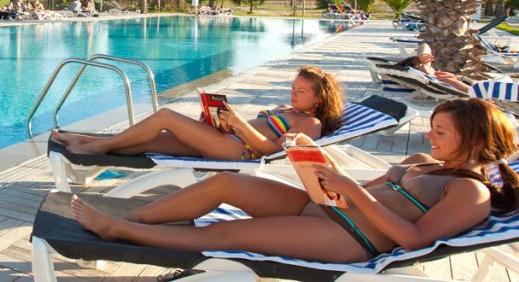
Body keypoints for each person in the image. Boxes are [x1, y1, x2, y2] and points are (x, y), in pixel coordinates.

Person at [70, 98, 519, 263]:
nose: (429, 137)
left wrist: (352, 191)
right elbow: (358, 187)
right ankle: (134, 218)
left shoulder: (470, 192)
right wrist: (317, 165)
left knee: (226, 236)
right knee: (225, 185)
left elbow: (415, 240)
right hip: (325, 208)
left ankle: (121, 232)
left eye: (440, 132)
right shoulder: (423, 162)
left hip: (348, 237)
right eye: (432, 128)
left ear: (476, 141)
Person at [52, 66, 343, 161]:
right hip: (225, 137)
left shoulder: (311, 123)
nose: (293, 94)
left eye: (301, 91)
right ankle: (85, 141)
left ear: (319, 98)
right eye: (293, 87)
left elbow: (273, 151)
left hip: (238, 150)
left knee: (165, 116)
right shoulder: (288, 110)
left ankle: (94, 147)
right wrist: (217, 120)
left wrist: (239, 124)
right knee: (154, 140)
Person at [396, 51, 470, 92]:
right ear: (420, 67)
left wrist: (422, 56)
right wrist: (429, 74)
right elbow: (473, 92)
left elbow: (424, 45)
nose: (428, 64)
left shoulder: (434, 75)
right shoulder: (444, 81)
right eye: (424, 64)